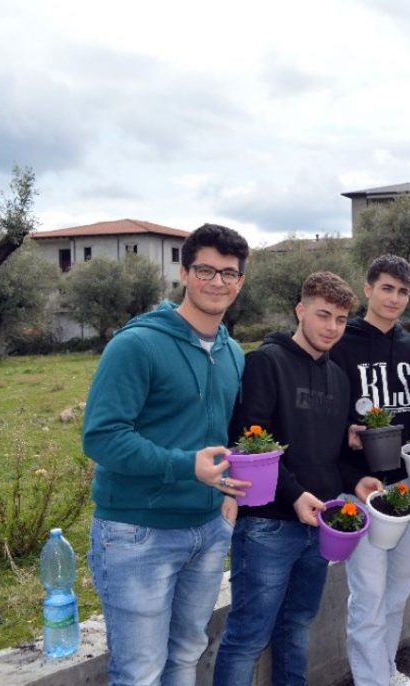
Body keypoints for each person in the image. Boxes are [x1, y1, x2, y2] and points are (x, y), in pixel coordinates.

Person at [82, 223, 250, 685]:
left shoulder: (232, 352)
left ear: (240, 282)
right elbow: (101, 436)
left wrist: (228, 500)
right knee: (140, 672)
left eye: (229, 273)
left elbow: (223, 433)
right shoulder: (136, 345)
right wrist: (184, 465)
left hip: (208, 528)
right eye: (206, 270)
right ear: (183, 272)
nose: (217, 282)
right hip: (139, 533)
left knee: (185, 657)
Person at [213, 271, 378, 685]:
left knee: (297, 626)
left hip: (319, 524)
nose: (332, 328)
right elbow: (248, 445)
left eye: (341, 320)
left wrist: (356, 481)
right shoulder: (265, 363)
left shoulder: (338, 378)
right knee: (248, 635)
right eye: (323, 315)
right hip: (268, 524)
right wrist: (295, 493)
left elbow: (330, 454)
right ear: (300, 311)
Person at [329, 255, 410, 686]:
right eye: (387, 288)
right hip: (358, 485)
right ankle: (371, 681)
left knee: (399, 585)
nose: (394, 298)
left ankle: (385, 670)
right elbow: (325, 412)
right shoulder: (341, 342)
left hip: (404, 486)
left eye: (403, 291)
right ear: (368, 289)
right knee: (368, 593)